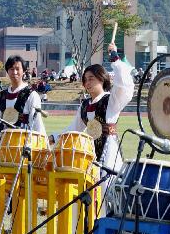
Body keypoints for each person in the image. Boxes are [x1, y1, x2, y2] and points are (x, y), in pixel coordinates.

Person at [0, 55, 47, 229]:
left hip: (21, 149)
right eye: (11, 69)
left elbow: (36, 123)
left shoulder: (31, 95)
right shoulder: (2, 95)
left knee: (18, 190)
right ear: (7, 71)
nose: (14, 72)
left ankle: (18, 228)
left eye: (18, 69)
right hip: (2, 147)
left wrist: (40, 149)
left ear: (24, 71)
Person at [51, 43, 134, 183]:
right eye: (85, 80)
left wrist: (114, 57)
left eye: (91, 79)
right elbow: (73, 130)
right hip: (88, 155)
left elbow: (125, 84)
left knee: (105, 196)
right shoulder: (84, 105)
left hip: (109, 155)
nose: (87, 83)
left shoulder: (112, 101)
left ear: (101, 78)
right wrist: (53, 137)